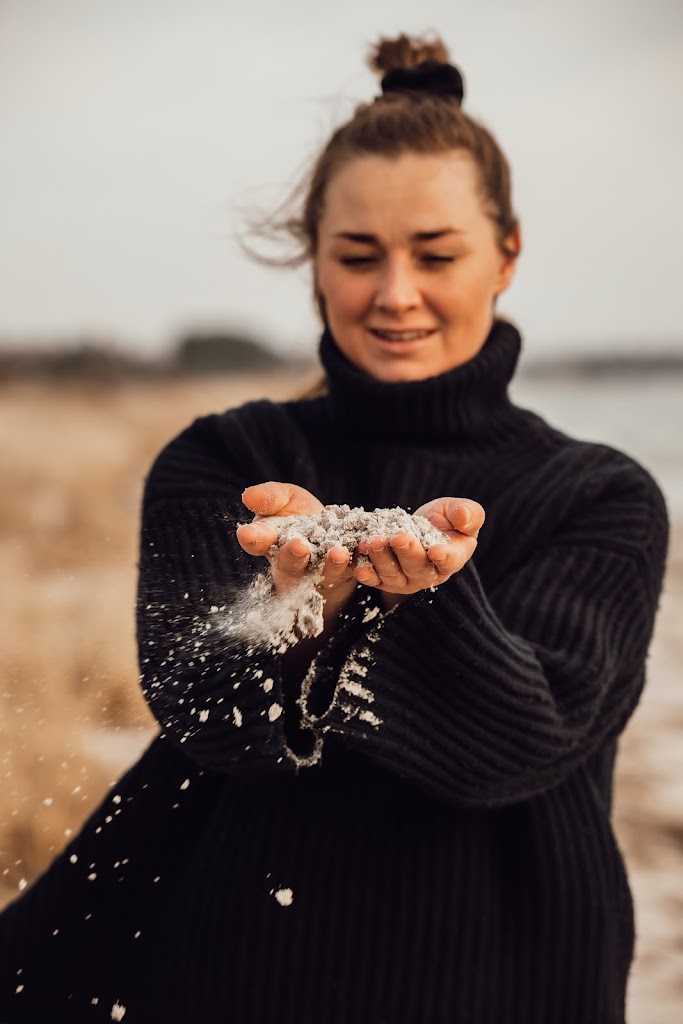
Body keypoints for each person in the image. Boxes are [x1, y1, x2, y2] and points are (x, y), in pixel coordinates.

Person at [0, 32, 669, 1024]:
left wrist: (430, 601)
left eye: (434, 254)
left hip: (511, 978)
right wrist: (298, 609)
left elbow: (521, 745)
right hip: (235, 970)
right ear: (314, 260)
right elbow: (198, 700)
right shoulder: (224, 461)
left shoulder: (598, 494)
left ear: (506, 255)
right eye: (357, 255)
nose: (393, 294)